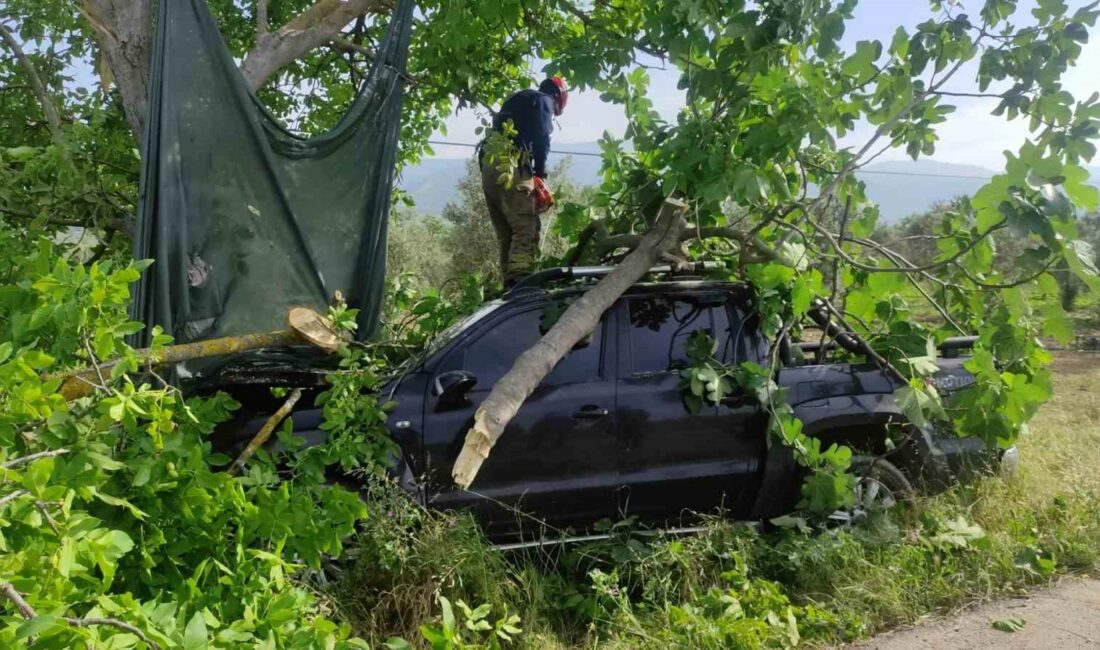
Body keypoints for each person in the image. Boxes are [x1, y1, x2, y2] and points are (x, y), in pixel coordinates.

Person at [480, 76, 568, 287]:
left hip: (488, 165)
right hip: (513, 163)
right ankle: (521, 284)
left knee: (506, 233)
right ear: (558, 97)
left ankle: (507, 287)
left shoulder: (518, 99)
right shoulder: (544, 101)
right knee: (526, 226)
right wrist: (540, 175)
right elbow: (542, 139)